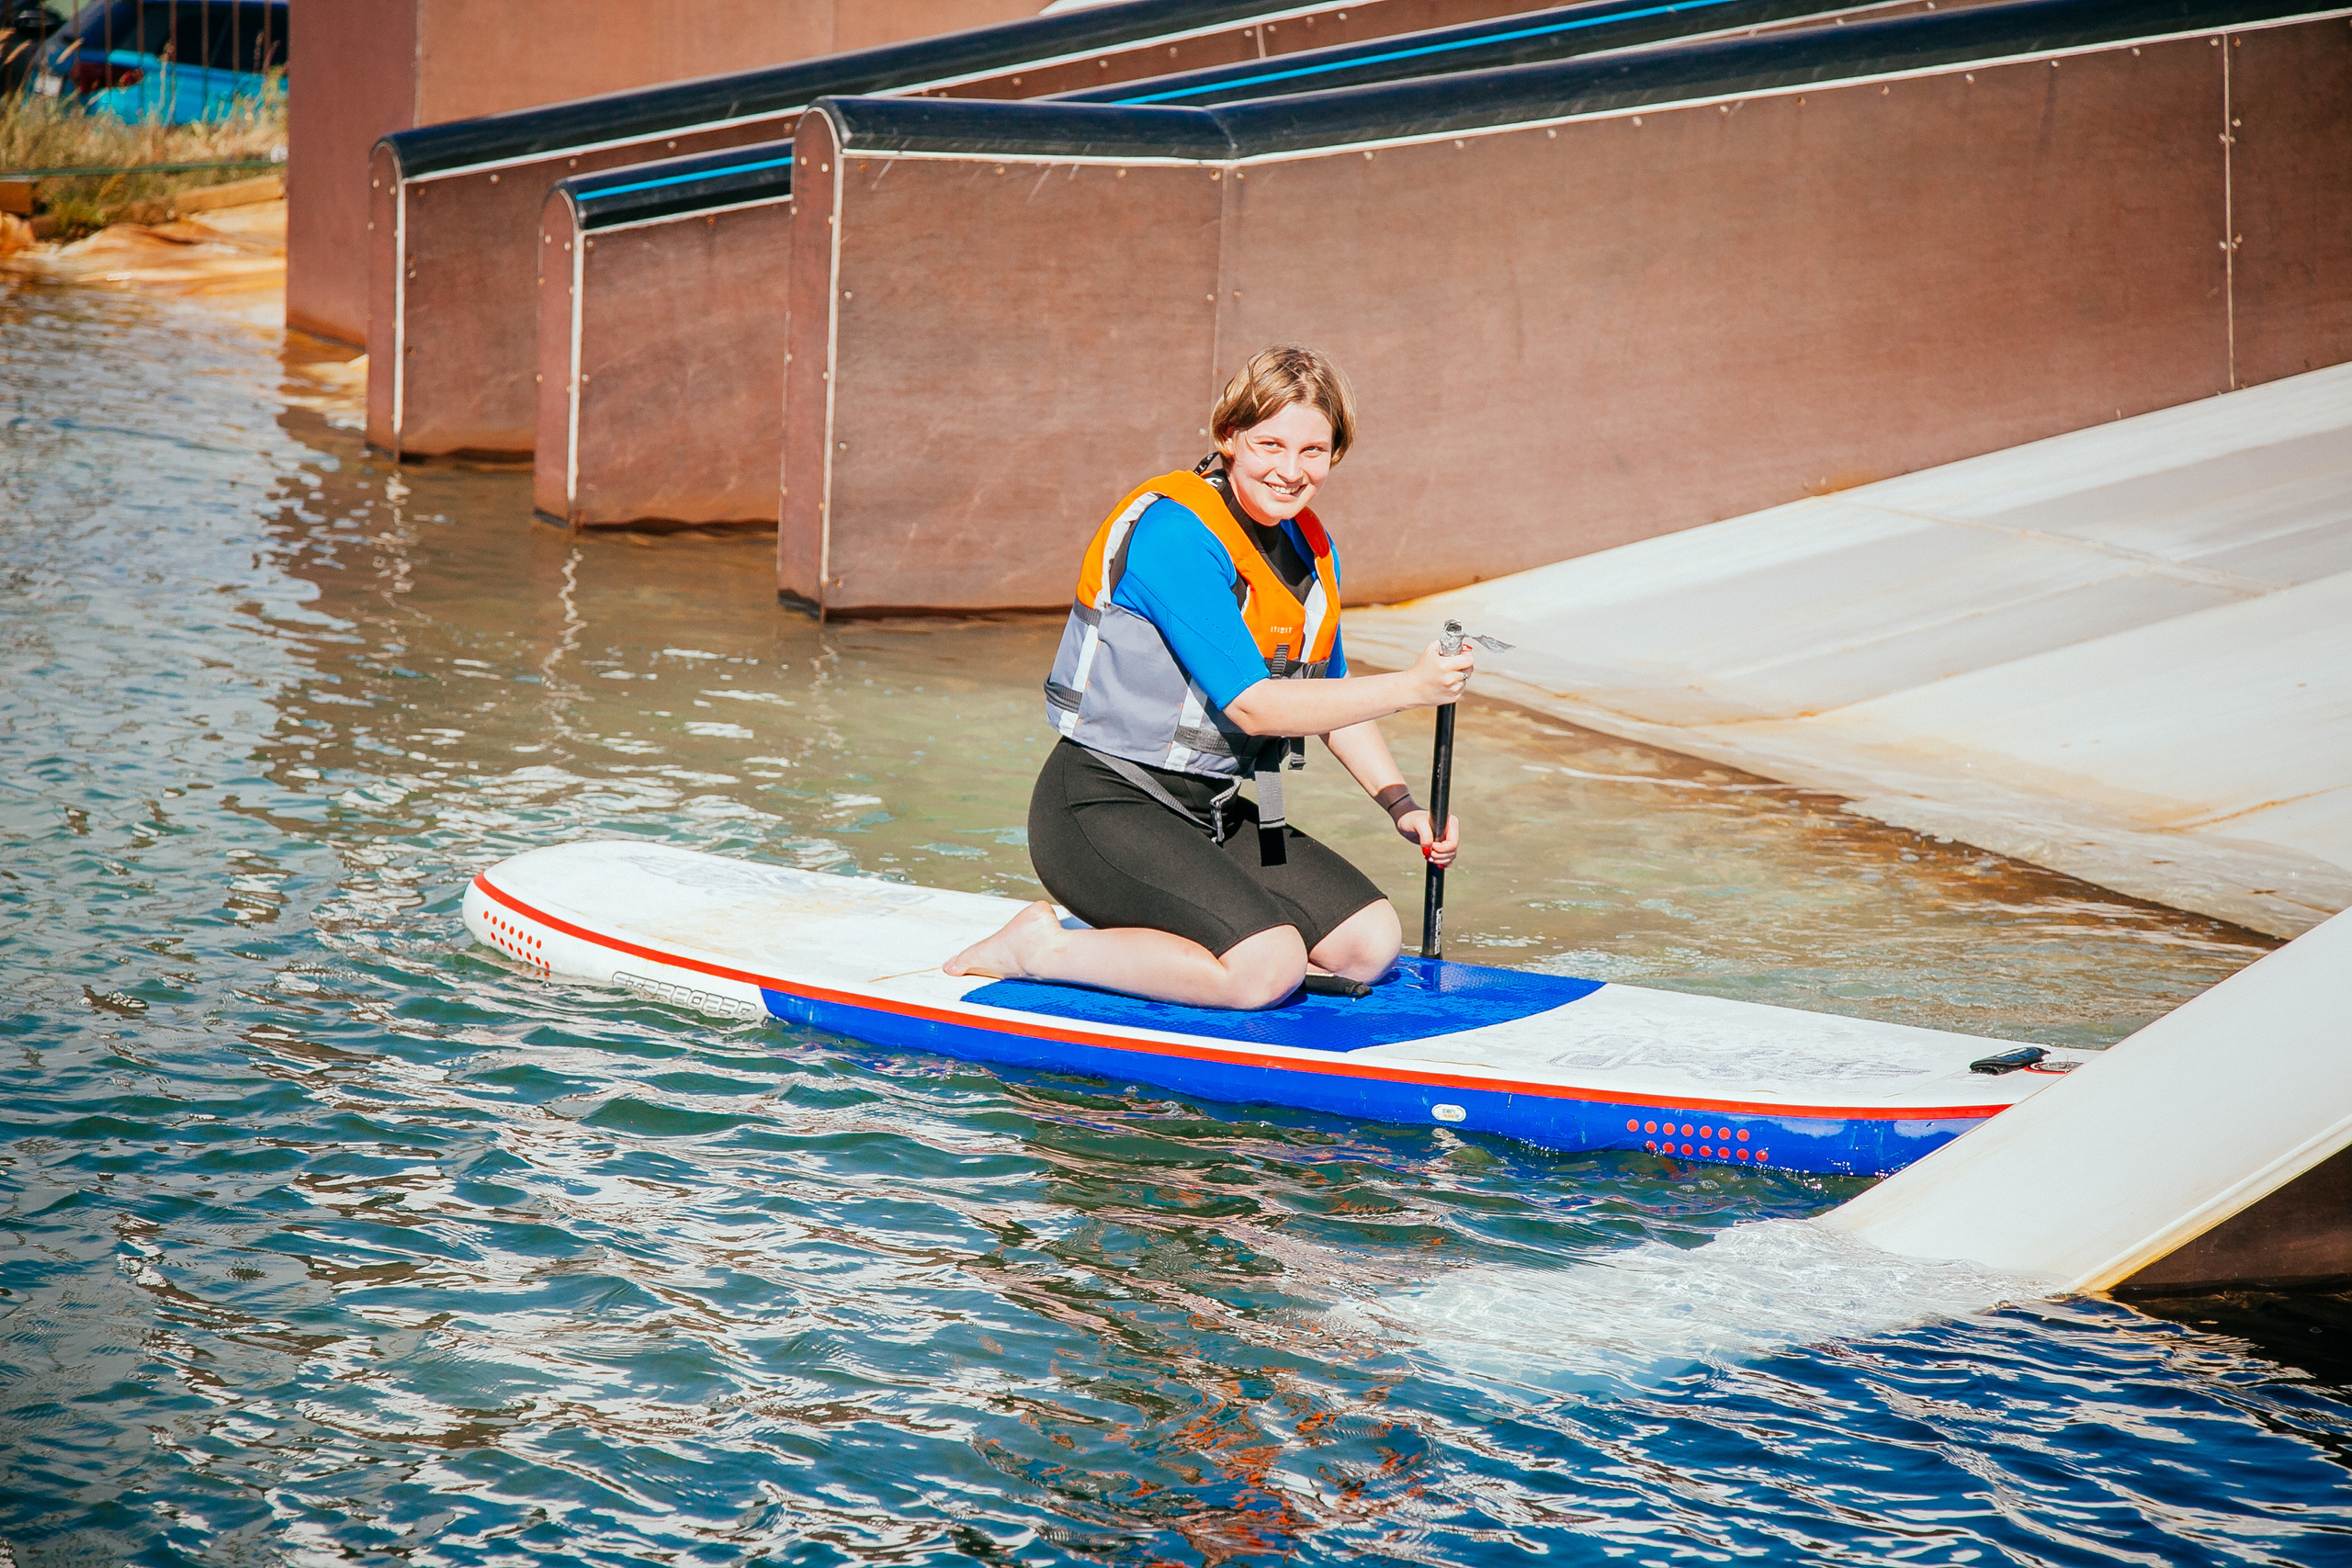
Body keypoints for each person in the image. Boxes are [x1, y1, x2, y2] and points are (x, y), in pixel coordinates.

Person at [944, 345, 1476, 1010]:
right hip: (1101, 806)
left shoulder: (1310, 547)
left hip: (1212, 812)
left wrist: (1404, 808)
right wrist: (1414, 686)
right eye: (1270, 444)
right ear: (1228, 435)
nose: (1290, 471)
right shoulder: (1176, 535)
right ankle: (1039, 948)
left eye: (1314, 450)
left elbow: (1330, 702)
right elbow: (1254, 708)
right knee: (1267, 967)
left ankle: (1211, 936)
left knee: (1370, 943)